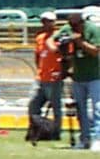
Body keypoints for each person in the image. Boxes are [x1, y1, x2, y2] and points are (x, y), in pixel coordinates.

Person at [49, 10, 100, 151]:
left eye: (76, 24)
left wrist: (79, 42)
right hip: (78, 76)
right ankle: (84, 139)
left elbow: (95, 51)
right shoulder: (68, 28)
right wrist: (58, 48)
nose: (74, 27)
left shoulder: (93, 30)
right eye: (71, 24)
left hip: (96, 75)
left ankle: (98, 138)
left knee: (98, 109)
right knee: (80, 110)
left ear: (82, 22)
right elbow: (52, 40)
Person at [28, 11, 62, 139]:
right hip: (41, 77)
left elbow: (64, 56)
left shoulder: (58, 36)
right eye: (44, 21)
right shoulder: (40, 37)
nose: (46, 23)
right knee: (33, 104)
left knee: (55, 107)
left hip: (54, 78)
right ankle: (36, 130)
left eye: (49, 21)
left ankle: (56, 132)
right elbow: (38, 55)